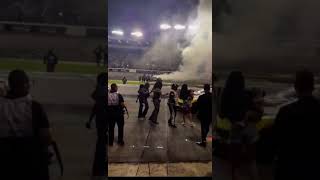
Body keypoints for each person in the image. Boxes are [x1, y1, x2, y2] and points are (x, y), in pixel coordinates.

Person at [0, 70, 53, 179]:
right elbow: (46, 136)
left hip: (5, 157)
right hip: (30, 159)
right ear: (25, 84)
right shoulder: (35, 107)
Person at [271, 70, 320, 180]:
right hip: (314, 169)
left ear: (296, 87)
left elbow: (275, 140)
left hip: (288, 168)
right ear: (312, 88)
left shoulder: (285, 112)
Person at [218, 71, 251, 180]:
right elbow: (249, 110)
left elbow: (222, 113)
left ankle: (234, 174)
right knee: (246, 152)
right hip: (244, 126)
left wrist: (233, 120)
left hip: (230, 126)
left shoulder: (225, 93)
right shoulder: (246, 94)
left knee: (234, 151)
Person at [86, 72, 108, 177]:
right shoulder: (103, 91)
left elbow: (95, 106)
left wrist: (90, 120)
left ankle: (99, 169)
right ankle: (100, 169)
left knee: (101, 145)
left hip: (100, 121)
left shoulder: (100, 91)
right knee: (102, 146)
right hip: (104, 121)